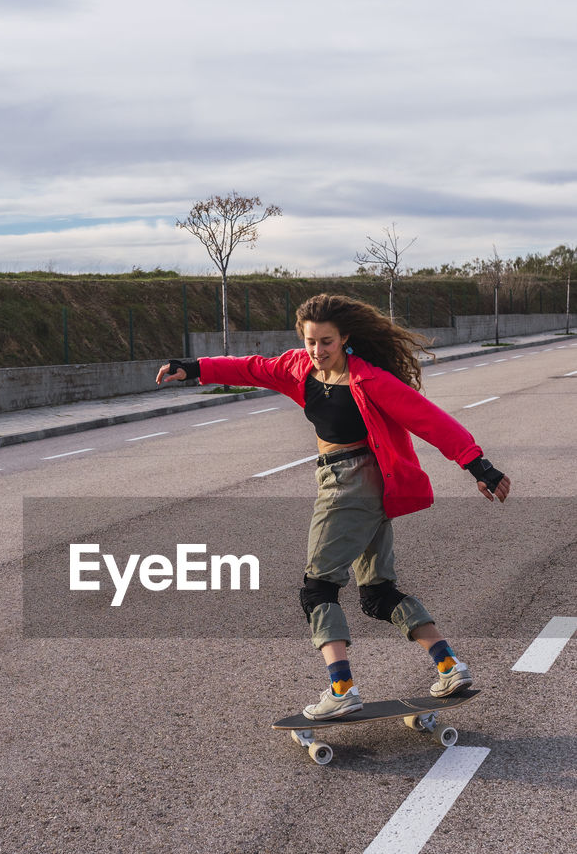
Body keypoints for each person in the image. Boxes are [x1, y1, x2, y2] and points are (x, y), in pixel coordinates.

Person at [156, 292, 510, 720]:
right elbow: (252, 368)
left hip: (350, 486)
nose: (317, 351)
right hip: (368, 489)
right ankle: (450, 667)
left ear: (344, 338)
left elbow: (429, 420)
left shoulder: (370, 380)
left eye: (326, 342)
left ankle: (341, 689)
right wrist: (194, 368)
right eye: (310, 341)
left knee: (317, 588)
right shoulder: (298, 367)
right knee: (379, 594)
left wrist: (480, 466)